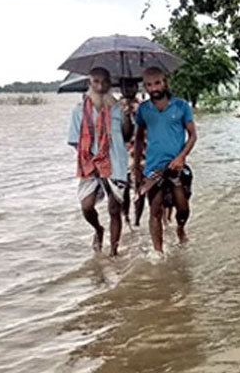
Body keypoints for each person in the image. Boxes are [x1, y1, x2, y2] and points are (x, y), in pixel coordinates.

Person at [67, 67, 133, 256]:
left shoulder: (118, 107)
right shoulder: (79, 110)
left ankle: (113, 251)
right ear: (89, 83)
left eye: (104, 81)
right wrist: (91, 162)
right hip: (90, 165)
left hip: (116, 163)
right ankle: (98, 229)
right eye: (96, 81)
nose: (101, 86)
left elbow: (127, 136)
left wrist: (128, 115)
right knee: (86, 206)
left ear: (110, 84)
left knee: (114, 209)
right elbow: (74, 141)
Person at [134, 67, 197, 254]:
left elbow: (193, 135)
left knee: (183, 208)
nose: (154, 88)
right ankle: (159, 252)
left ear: (165, 82)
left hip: (176, 165)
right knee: (155, 211)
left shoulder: (181, 106)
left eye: (157, 83)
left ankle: (180, 228)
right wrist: (137, 166)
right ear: (145, 87)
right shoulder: (143, 110)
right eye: (149, 85)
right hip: (153, 167)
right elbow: (138, 139)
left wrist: (181, 157)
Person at [118, 78, 145, 227]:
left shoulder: (143, 105)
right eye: (126, 86)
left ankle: (137, 221)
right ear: (121, 88)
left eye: (132, 85)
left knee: (140, 188)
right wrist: (126, 116)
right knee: (124, 189)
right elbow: (124, 135)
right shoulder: (115, 107)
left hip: (142, 151)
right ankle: (126, 217)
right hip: (122, 153)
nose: (129, 89)